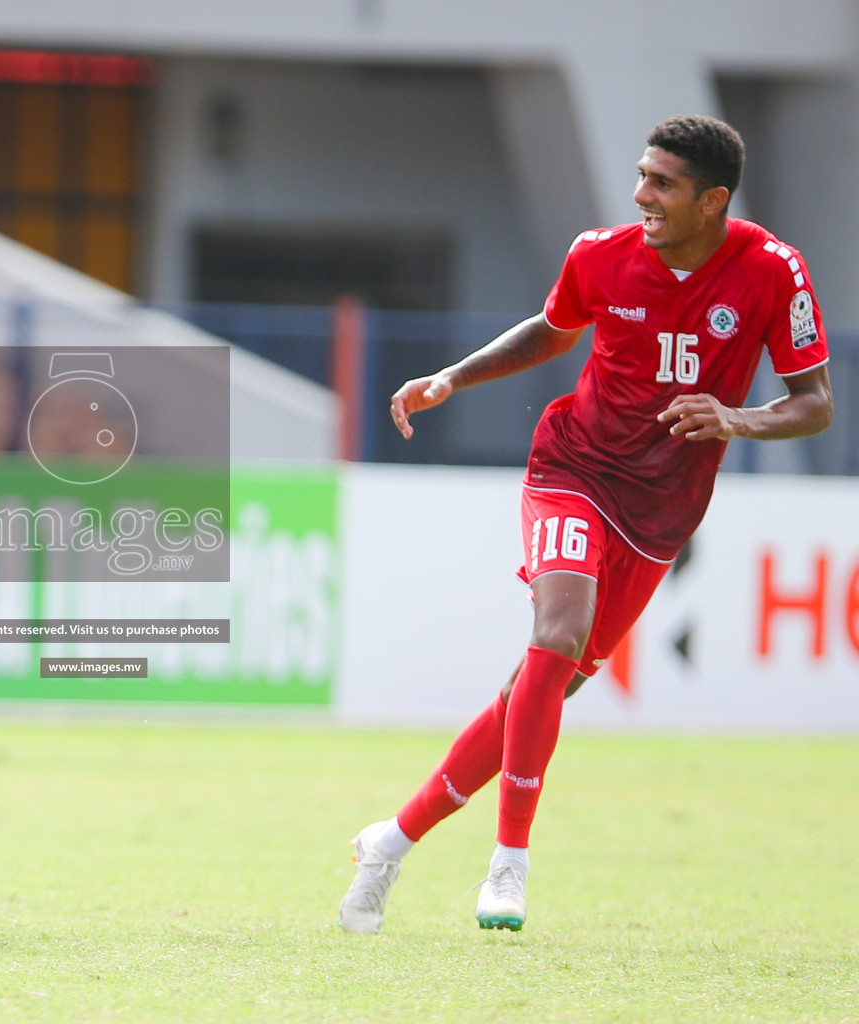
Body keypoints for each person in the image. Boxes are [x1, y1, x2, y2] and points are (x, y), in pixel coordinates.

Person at [339, 114, 832, 934]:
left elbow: (815, 403)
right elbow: (554, 329)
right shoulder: (599, 253)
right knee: (558, 631)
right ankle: (509, 866)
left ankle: (390, 840)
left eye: (663, 184)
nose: (641, 193)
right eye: (642, 175)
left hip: (660, 512)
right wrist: (452, 378)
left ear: (713, 201)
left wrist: (736, 419)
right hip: (573, 467)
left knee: (541, 687)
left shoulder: (774, 271)